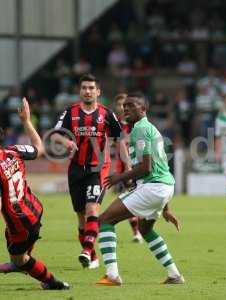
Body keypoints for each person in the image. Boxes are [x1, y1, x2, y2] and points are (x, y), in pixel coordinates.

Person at [92, 92, 184, 286]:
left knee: (105, 220)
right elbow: (160, 168)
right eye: (125, 106)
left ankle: (112, 275)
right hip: (165, 187)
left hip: (153, 187)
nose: (126, 109)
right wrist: (166, 208)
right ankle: (174, 275)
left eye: (131, 106)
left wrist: (120, 177)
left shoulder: (140, 130)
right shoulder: (150, 129)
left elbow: (146, 167)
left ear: (143, 109)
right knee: (145, 229)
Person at [0, 98, 69, 290]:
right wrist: (26, 121)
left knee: (20, 259)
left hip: (21, 223)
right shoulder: (13, 151)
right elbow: (39, 148)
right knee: (12, 238)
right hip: (35, 209)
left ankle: (53, 283)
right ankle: (21, 258)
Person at [51, 74, 121, 268]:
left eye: (91, 88)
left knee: (92, 209)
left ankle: (86, 250)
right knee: (81, 217)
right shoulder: (70, 112)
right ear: (79, 91)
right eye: (84, 88)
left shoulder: (106, 114)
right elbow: (54, 135)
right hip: (75, 170)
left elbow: (120, 138)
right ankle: (93, 256)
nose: (87, 91)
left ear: (98, 91)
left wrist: (127, 165)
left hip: (97, 169)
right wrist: (66, 141)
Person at [113, 93, 142, 243]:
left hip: (139, 164)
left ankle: (139, 231)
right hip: (123, 166)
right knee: (130, 196)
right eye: (119, 105)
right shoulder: (115, 124)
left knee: (134, 197)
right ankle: (137, 232)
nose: (122, 108)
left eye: (124, 104)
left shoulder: (136, 122)